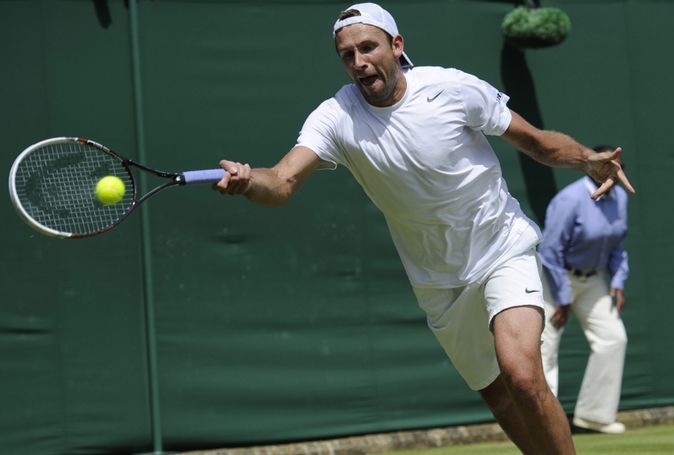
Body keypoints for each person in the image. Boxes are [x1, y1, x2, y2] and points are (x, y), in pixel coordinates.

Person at [214, 3, 634, 454]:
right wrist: (247, 180)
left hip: (501, 248)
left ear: (397, 46)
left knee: (523, 375)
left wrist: (586, 158)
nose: (359, 62)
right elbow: (281, 181)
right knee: (499, 397)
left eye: (368, 47)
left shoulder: (451, 88)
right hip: (437, 280)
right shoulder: (334, 116)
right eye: (347, 54)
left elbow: (535, 142)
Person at [538, 145, 630, 435]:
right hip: (556, 278)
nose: (615, 171)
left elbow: (617, 244)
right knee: (545, 346)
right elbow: (550, 251)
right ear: (595, 166)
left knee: (613, 338)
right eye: (608, 165)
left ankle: (594, 417)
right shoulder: (569, 200)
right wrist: (562, 299)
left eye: (619, 166)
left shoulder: (620, 198)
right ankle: (543, 426)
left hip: (593, 280)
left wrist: (618, 281)